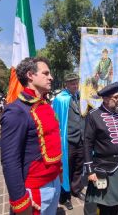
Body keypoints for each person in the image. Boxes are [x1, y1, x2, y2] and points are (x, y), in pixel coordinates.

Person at [0, 57, 62, 215]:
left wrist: (58, 172)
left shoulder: (45, 105)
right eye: (46, 73)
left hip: (54, 182)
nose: (51, 77)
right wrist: (20, 200)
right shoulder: (16, 111)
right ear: (30, 75)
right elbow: (10, 160)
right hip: (36, 190)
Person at [84, 82, 118, 215]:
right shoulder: (93, 115)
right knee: (105, 204)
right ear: (106, 98)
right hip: (105, 166)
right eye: (117, 97)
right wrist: (90, 170)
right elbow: (87, 143)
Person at [52, 73, 85, 210]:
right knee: (66, 168)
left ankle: (75, 189)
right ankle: (64, 197)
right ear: (66, 84)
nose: (75, 85)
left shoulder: (80, 97)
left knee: (78, 166)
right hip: (67, 140)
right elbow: (55, 120)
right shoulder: (60, 99)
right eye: (72, 83)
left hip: (81, 139)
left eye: (76, 83)